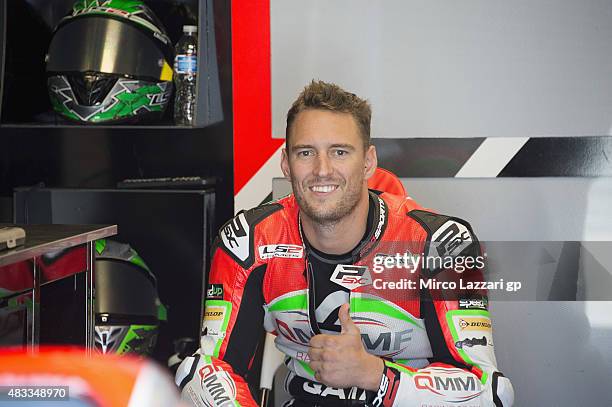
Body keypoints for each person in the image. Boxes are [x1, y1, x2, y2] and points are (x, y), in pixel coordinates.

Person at [175, 80, 514, 406]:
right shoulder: (248, 241)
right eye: (306, 152)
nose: (322, 170)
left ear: (368, 162)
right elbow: (210, 368)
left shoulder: (441, 245)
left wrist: (376, 376)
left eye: (339, 152)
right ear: (286, 163)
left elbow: (489, 393)